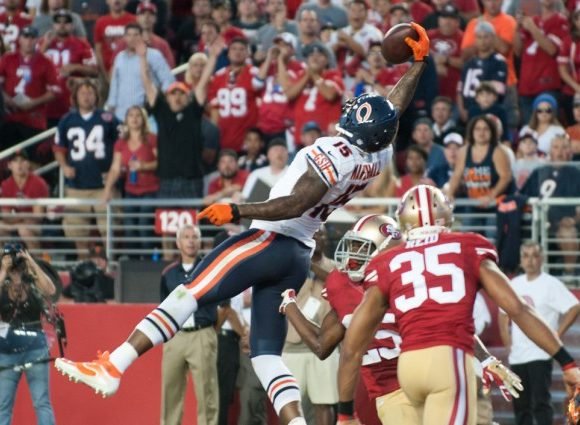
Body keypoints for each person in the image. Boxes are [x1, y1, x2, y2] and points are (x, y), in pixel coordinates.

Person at [54, 22, 431, 425]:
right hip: (298, 256)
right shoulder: (377, 154)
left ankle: (114, 365)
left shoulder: (336, 152)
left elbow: (297, 202)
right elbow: (393, 109)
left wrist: (237, 211)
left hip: (270, 239)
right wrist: (419, 63)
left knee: (187, 293)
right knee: (266, 354)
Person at [335, 184, 580, 425]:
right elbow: (518, 309)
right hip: (448, 361)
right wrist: (566, 362)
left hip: (408, 368)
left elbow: (351, 348)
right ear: (447, 215)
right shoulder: (467, 246)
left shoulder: (387, 262)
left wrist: (345, 414)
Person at [281, 214, 519, 425]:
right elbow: (323, 345)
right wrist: (289, 305)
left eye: (360, 248)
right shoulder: (341, 284)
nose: (351, 255)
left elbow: (448, 324)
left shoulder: (406, 278)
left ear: (385, 250)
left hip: (428, 372)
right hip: (389, 390)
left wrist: (485, 359)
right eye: (352, 246)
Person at [499, 241, 580, 425]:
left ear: (542, 258)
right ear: (520, 259)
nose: (530, 260)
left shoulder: (550, 284)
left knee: (540, 403)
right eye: (526, 256)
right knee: (521, 406)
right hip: (518, 355)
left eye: (535, 255)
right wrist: (507, 342)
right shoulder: (514, 284)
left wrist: (556, 334)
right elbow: (502, 313)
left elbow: (574, 307)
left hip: (541, 353)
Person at [53, 79, 120, 258]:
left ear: (97, 96)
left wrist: (114, 170)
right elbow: (58, 148)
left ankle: (110, 262)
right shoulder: (67, 120)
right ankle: (83, 262)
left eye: (90, 93)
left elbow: (121, 145)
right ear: (75, 97)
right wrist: (64, 166)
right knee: (77, 230)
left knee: (108, 228)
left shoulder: (108, 118)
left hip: (103, 185)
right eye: (82, 93)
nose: (86, 96)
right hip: (77, 185)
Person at [159, 225, 219, 425]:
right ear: (178, 243)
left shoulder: (209, 269)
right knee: (170, 393)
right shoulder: (168, 274)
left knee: (207, 393)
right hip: (175, 337)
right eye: (186, 237)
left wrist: (210, 333)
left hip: (202, 334)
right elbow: (164, 308)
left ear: (200, 242)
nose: (191, 241)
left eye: (194, 237)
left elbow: (222, 305)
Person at [282, 227, 337, 425]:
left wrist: (311, 266)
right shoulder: (290, 267)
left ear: (326, 239)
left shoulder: (335, 268)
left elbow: (337, 284)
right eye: (313, 233)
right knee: (289, 404)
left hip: (325, 344)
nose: (317, 237)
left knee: (324, 403)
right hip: (291, 344)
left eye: (321, 234)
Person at [0, 244, 56, 425]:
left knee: (41, 401)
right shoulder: (2, 283)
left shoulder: (32, 281)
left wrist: (31, 262)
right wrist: (4, 270)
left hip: (34, 348)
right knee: (3, 404)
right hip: (8, 349)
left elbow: (50, 290)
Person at [102, 105, 159, 255]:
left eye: (138, 115)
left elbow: (161, 163)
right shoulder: (121, 143)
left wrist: (144, 166)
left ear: (144, 119)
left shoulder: (152, 139)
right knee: (129, 228)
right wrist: (107, 189)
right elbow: (115, 168)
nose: (134, 119)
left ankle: (147, 261)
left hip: (150, 190)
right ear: (126, 120)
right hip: (130, 191)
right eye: (131, 115)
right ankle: (133, 261)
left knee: (144, 225)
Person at [106, 23, 174, 121]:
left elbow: (168, 80)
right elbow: (114, 84)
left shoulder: (154, 55)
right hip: (121, 114)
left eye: (136, 35)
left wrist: (160, 102)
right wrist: (110, 106)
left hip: (146, 114)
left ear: (142, 36)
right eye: (129, 35)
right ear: (124, 37)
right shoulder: (119, 57)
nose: (132, 38)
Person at [0, 151, 49, 252]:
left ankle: (37, 260)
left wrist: (17, 219)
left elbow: (38, 216)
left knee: (24, 230)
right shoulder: (6, 184)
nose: (19, 164)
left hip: (39, 225)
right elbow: (6, 216)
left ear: (28, 164)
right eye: (15, 161)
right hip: (17, 223)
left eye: (23, 160)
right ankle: (5, 259)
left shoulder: (38, 183)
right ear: (9, 165)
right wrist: (20, 221)